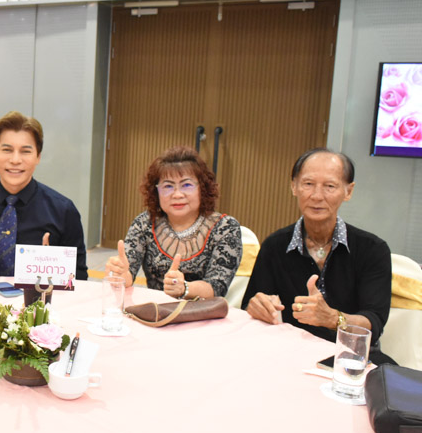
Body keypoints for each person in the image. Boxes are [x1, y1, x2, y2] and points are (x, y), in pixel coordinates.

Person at [242, 148, 394, 356]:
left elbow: (373, 322)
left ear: (348, 191)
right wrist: (258, 306)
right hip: (287, 352)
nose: (316, 196)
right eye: (308, 184)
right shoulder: (274, 246)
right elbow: (250, 304)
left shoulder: (373, 250)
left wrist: (333, 318)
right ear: (294, 186)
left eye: (330, 186)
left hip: (349, 356)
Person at [0, 111, 88, 279]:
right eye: (7, 150)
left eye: (25, 151)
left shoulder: (63, 211)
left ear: (38, 157)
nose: (15, 160)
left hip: (39, 296)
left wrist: (54, 269)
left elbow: (80, 277)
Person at [105, 146, 242, 298]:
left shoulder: (225, 228)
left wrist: (184, 288)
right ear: (156, 191)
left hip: (203, 311)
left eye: (187, 185)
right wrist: (121, 275)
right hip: (157, 310)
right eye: (168, 186)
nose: (177, 194)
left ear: (202, 188)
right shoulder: (144, 223)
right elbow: (127, 274)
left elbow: (217, 287)